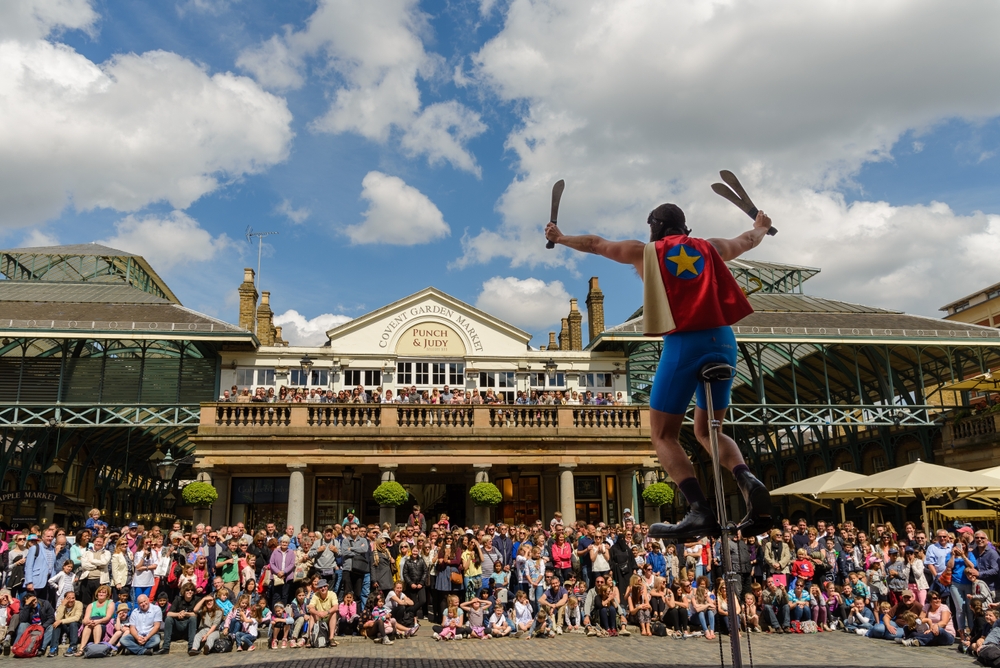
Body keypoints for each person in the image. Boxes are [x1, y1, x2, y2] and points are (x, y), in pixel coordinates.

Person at [545, 202, 774, 539]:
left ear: (654, 225)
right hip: (724, 341)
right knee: (710, 430)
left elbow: (596, 244)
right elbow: (747, 240)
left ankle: (699, 510)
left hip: (685, 342)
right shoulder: (711, 248)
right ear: (685, 226)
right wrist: (762, 226)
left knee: (663, 434)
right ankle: (747, 479)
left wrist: (560, 237)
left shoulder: (645, 252)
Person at [45, 591, 81, 657]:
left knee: (73, 623)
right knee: (56, 624)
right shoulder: (62, 606)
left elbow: (76, 618)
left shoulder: (78, 604)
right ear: (65, 599)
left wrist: (61, 621)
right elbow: (57, 619)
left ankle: (73, 647)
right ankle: (53, 648)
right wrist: (62, 606)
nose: (71, 600)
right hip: (65, 627)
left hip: (75, 627)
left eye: (73, 598)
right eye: (68, 598)